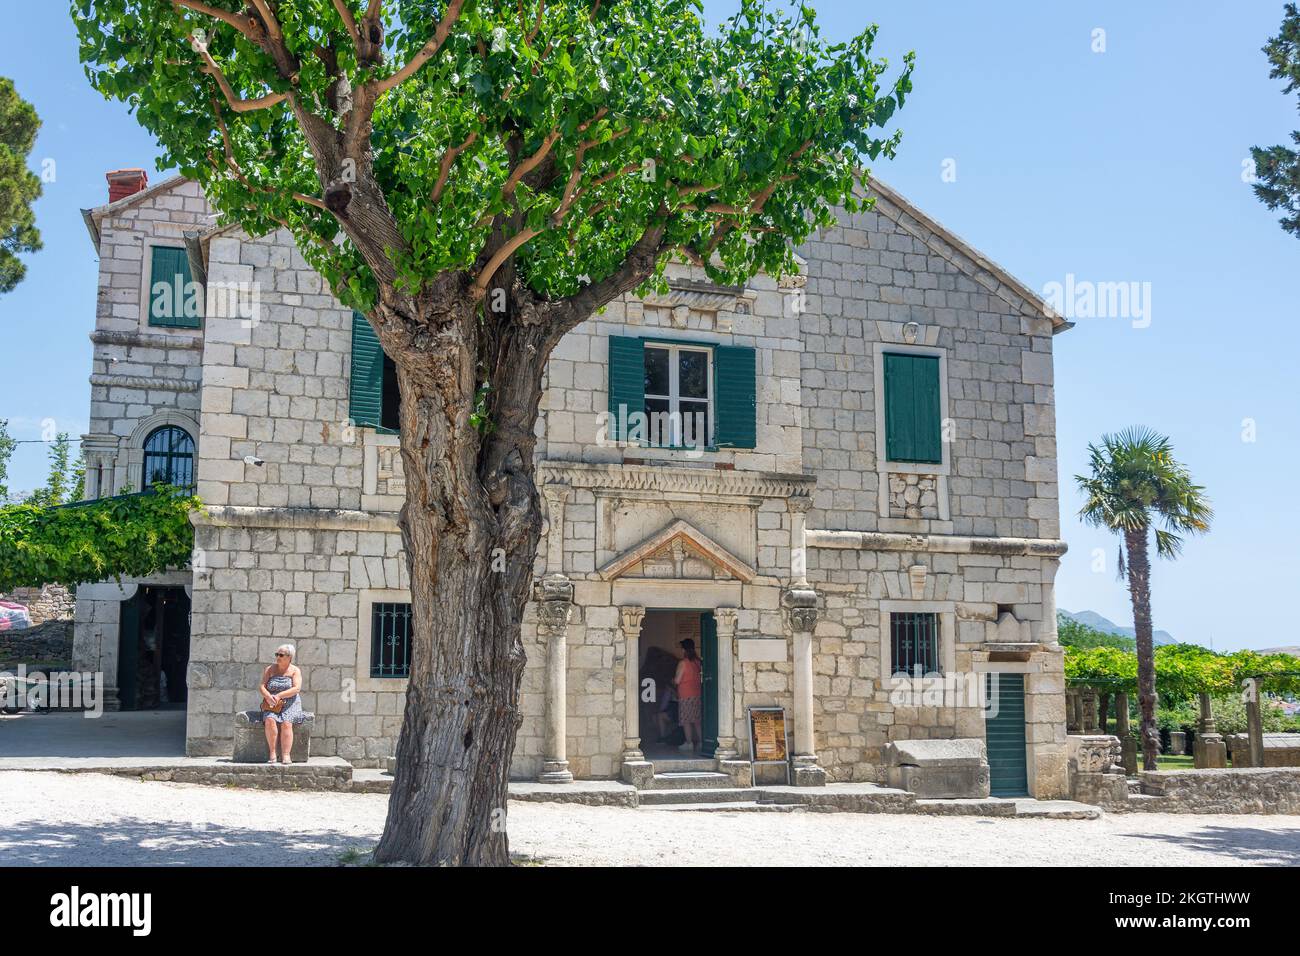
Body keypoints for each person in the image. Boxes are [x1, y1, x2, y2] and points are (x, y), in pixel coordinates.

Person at [259, 644, 305, 764]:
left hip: (290, 702)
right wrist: (268, 696)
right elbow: (262, 686)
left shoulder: (295, 671)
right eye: (277, 654)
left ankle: (286, 755)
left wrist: (279, 695)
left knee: (286, 722)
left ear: (289, 657)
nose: (278, 657)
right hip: (272, 703)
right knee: (269, 720)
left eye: (281, 655)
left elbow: (296, 689)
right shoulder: (270, 669)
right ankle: (273, 753)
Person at [673, 638, 703, 753]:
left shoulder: (683, 663)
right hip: (697, 693)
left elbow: (677, 680)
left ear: (684, 649)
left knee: (686, 720)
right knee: (697, 720)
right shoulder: (698, 662)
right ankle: (701, 742)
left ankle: (689, 743)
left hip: (685, 695)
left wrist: (672, 679)